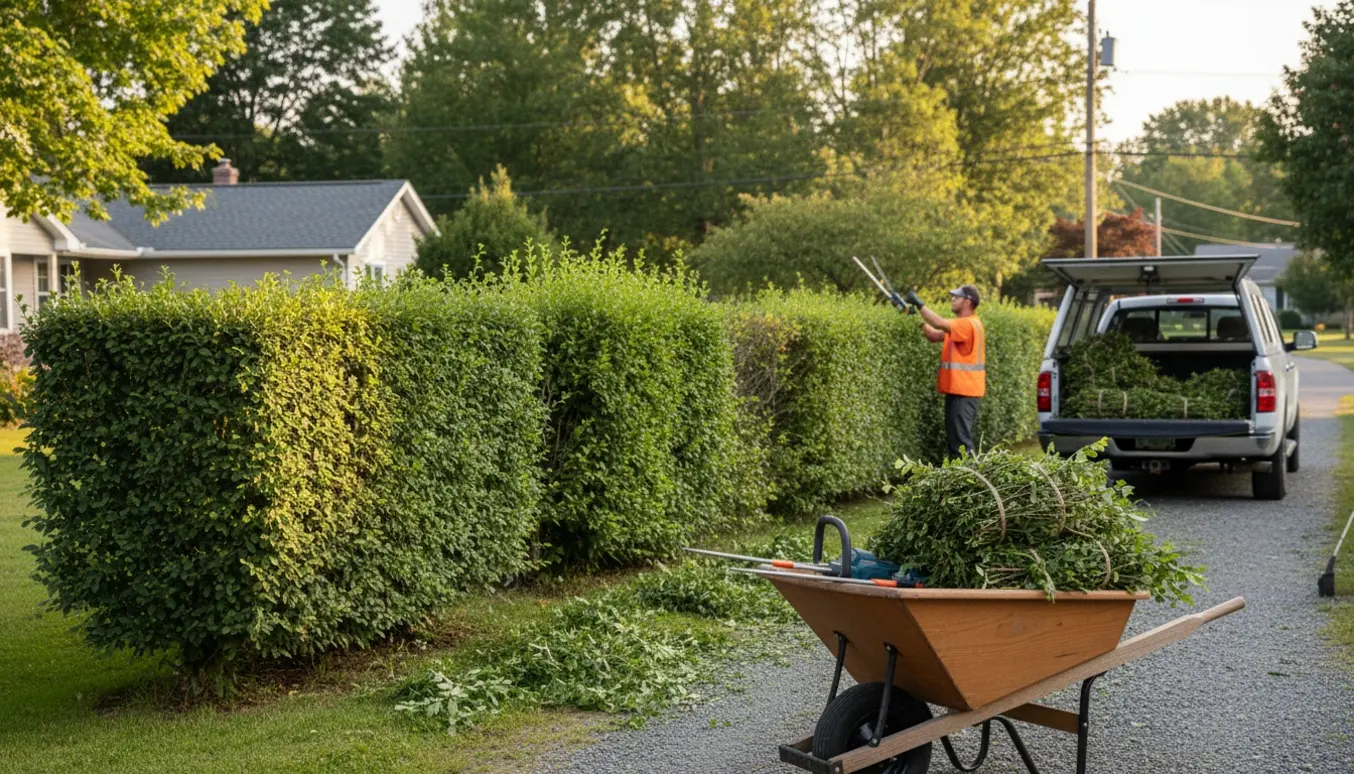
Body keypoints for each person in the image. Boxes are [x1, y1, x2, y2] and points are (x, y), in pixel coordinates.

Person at [903, 285, 985, 458]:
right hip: (960, 391)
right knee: (956, 441)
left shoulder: (967, 324)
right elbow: (933, 335)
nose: (952, 299)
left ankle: (970, 473)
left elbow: (939, 323)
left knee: (961, 443)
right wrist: (914, 318)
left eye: (957, 297)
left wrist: (919, 304)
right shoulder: (961, 326)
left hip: (964, 392)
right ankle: (965, 472)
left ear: (968, 302)